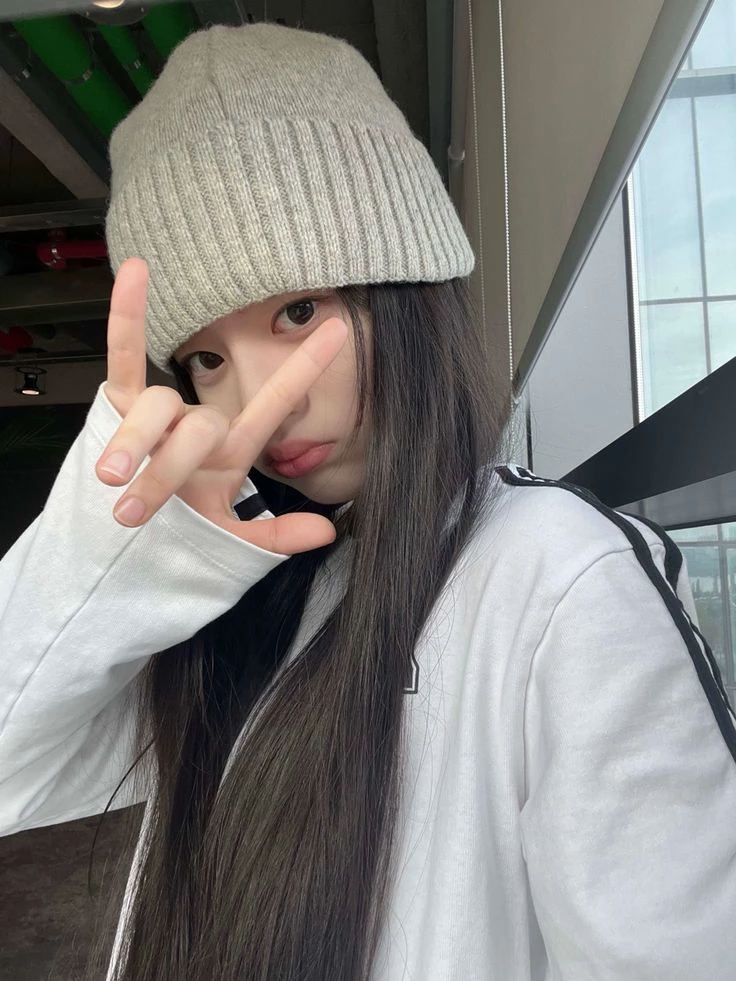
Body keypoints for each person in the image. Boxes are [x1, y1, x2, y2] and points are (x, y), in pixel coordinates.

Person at [0, 20, 735, 981]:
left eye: (299, 309)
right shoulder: (241, 596)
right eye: (207, 358)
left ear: (407, 288)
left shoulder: (558, 574)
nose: (264, 400)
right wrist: (128, 548)